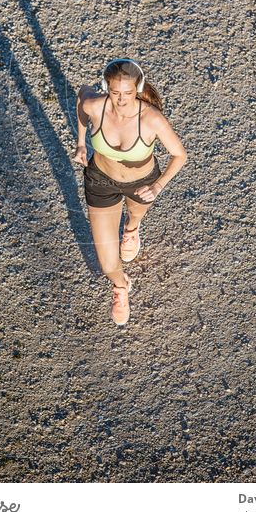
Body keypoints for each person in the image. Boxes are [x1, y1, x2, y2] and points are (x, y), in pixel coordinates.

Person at [72, 58, 188, 326]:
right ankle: (120, 287)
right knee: (106, 261)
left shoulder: (151, 118)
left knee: (134, 215)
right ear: (106, 88)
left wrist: (158, 186)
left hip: (141, 183)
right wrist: (80, 143)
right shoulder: (95, 106)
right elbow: (81, 98)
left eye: (128, 93)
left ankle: (132, 229)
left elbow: (179, 155)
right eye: (115, 92)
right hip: (101, 180)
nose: (121, 99)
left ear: (138, 87)